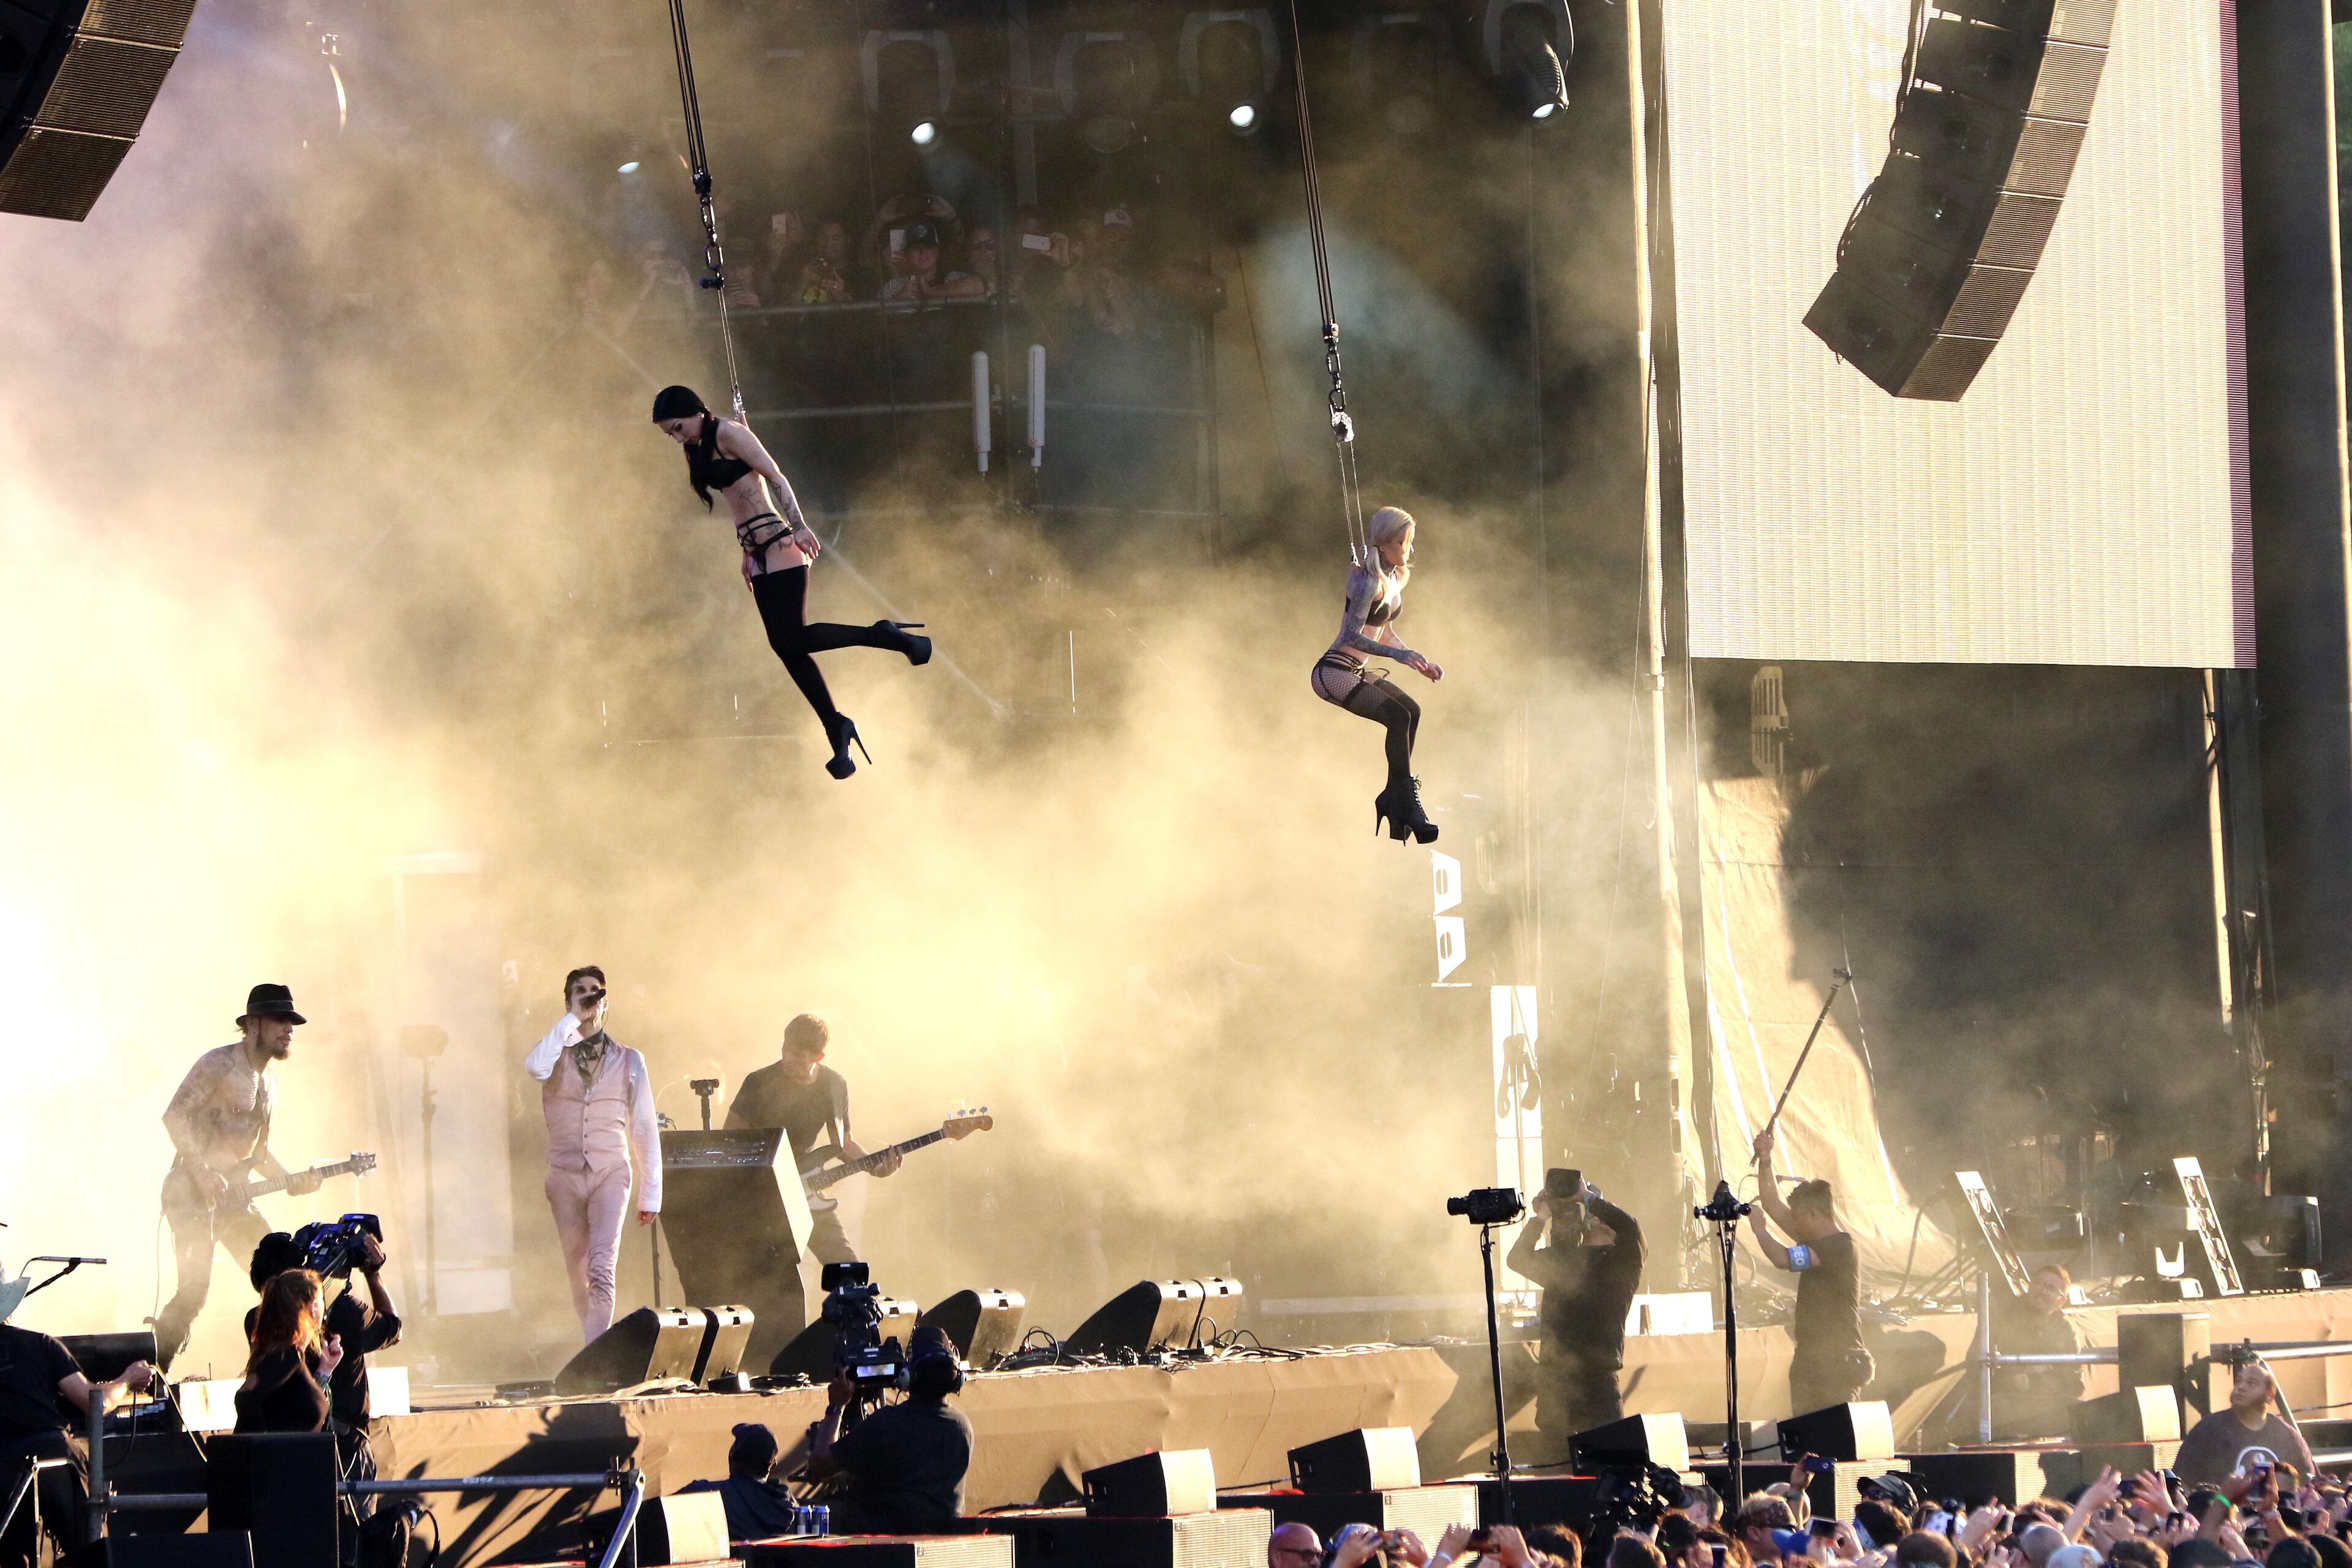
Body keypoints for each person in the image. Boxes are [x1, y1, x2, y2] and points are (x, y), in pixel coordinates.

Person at [649, 385, 930, 779]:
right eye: (671, 434)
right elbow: (738, 500)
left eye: (679, 428)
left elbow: (773, 478)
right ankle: (837, 727)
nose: (678, 438)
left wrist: (798, 526)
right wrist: (746, 552)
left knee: (790, 641)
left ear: (696, 412)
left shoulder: (728, 433)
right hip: (758, 554)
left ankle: (883, 638)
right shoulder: (696, 447)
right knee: (786, 647)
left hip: (781, 544)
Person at [152, 982, 326, 1370]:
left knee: (283, 1278)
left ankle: (282, 1371)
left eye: (293, 1022)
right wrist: (201, 1172)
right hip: (191, 1194)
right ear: (254, 1024)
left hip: (236, 1200)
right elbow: (174, 1115)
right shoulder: (219, 1065)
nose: (289, 1029)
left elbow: (259, 1156)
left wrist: (293, 1181)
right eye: (280, 1020)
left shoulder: (270, 1086)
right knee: (194, 1292)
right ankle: (151, 1376)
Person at [523, 966, 663, 1343]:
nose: (589, 997)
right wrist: (573, 1019)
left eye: (596, 992)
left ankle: (594, 1354)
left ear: (606, 1002)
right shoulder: (554, 1053)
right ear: (568, 1001)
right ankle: (593, 1346)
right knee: (578, 1269)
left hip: (610, 1172)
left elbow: (645, 1127)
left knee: (602, 1266)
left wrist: (652, 1193)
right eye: (580, 992)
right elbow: (534, 1068)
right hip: (564, 1174)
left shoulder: (630, 1059)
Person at [1311, 506, 1444, 845]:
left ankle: (1395, 796)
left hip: (1356, 670)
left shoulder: (1395, 579)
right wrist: (1399, 656)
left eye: (1410, 542)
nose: (1409, 550)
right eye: (1402, 542)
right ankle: (1403, 802)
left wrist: (1417, 659)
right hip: (1334, 672)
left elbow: (1381, 631)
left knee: (1412, 711)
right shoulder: (1367, 581)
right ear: (1384, 545)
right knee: (1397, 718)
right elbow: (1350, 637)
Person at [1507, 1175, 1645, 1455]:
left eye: (1606, 1214)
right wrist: (1541, 1217)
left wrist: (1587, 1197)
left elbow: (1630, 1229)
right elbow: (1517, 1259)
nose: (1600, 1218)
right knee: (1555, 1465)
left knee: (1612, 1461)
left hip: (1599, 1377)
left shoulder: (1625, 1261)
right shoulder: (1563, 1260)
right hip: (1556, 1379)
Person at [0, 1318, 152, 1567]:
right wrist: (126, 1380)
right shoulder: (40, 1343)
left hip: (4, 1469)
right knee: (89, 1550)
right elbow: (95, 1403)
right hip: (53, 1458)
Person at [805, 1325, 973, 1533]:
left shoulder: (889, 1422)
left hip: (886, 1538)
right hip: (941, 1536)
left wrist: (837, 1406)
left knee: (805, 1516)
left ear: (908, 1375)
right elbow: (909, 1475)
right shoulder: (962, 1426)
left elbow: (820, 1463)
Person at [1747, 1126, 1868, 1413]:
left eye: (1799, 1218)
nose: (1794, 1225)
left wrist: (1759, 1230)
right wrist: (1766, 1160)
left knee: (1834, 1441)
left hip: (1836, 1364)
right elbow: (1773, 1205)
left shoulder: (1838, 1247)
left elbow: (1783, 1259)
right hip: (1811, 1361)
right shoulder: (1815, 1238)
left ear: (1814, 1214)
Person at [244, 1229, 401, 1439]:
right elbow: (393, 1329)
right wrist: (373, 1274)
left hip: (281, 1447)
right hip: (340, 1448)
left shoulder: (257, 1321)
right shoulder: (346, 1313)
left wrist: (324, 1372)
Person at [235, 1268, 341, 1434]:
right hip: (281, 1459)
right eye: (322, 1300)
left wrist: (324, 1371)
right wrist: (263, 1450)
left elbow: (293, 1409)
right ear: (313, 1308)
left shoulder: (292, 1356)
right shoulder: (285, 1354)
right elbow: (246, 1396)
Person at [2176, 1359, 2315, 1483]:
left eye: (2252, 1383)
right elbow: (2183, 1485)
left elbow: (2307, 1487)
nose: (2241, 1387)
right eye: (2239, 1381)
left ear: (2270, 1396)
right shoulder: (2208, 1430)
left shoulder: (2289, 1438)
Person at [1989, 1262, 2085, 1438]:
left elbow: (2076, 1384)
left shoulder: (2066, 1331)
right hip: (2008, 1401)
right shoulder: (2000, 1319)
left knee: (2082, 1412)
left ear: (2062, 1300)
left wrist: (2040, 1378)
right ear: (2029, 1286)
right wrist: (2015, 1376)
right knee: (1994, 1408)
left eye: (2051, 1288)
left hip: (2049, 1405)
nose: (2042, 1291)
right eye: (2038, 1284)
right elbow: (1975, 1368)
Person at [678, 1421, 801, 1540]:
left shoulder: (704, 1494)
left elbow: (663, 1513)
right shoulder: (790, 1504)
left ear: (732, 1456)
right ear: (772, 1466)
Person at [877, 222, 986, 301]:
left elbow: (980, 285)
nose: (923, 252)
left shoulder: (952, 279)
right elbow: (875, 321)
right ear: (907, 255)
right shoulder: (893, 286)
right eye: (916, 248)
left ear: (937, 252)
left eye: (928, 247)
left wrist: (930, 291)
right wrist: (899, 300)